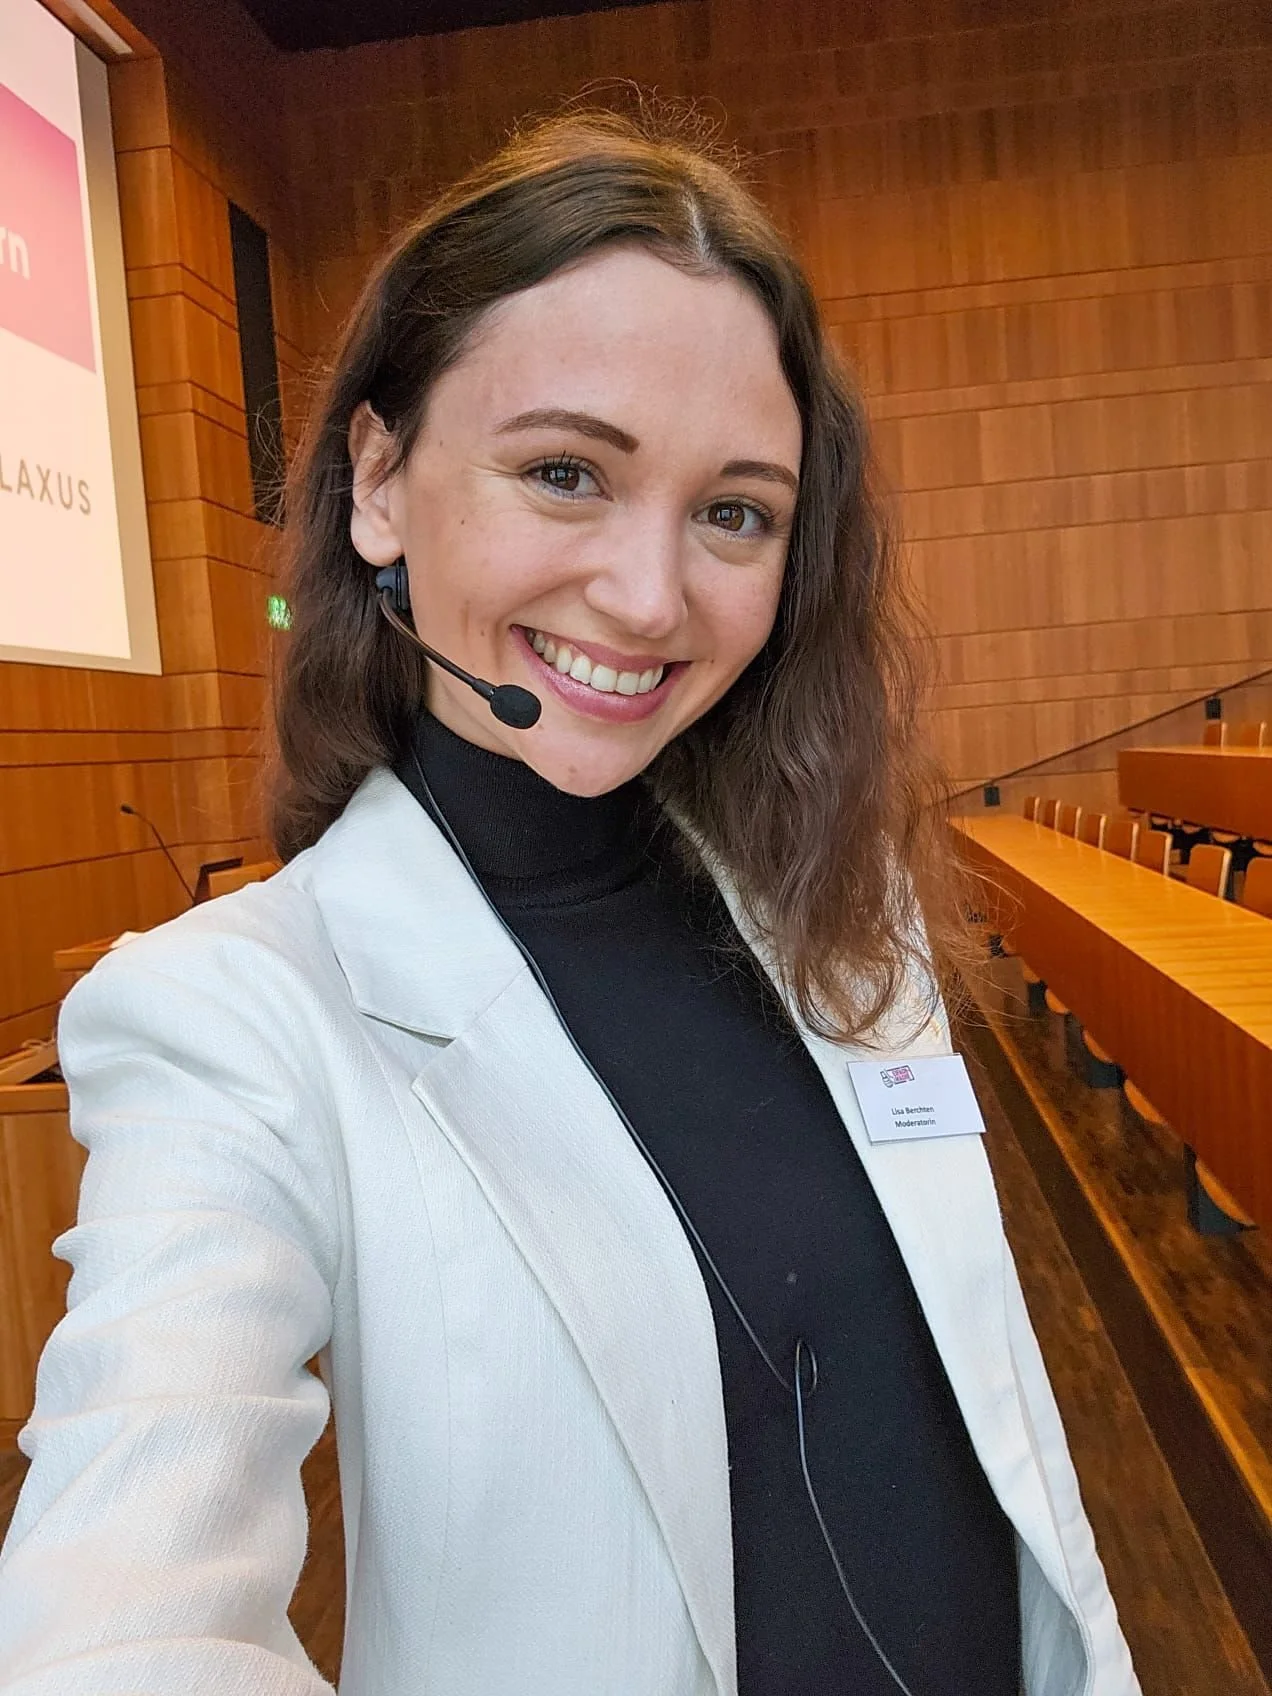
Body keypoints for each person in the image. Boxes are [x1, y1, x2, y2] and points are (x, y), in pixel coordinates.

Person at [0, 106, 1139, 1696]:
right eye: (563, 473)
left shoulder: (837, 899)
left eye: (734, 511)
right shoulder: (233, 1014)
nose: (651, 596)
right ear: (379, 481)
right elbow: (121, 1616)